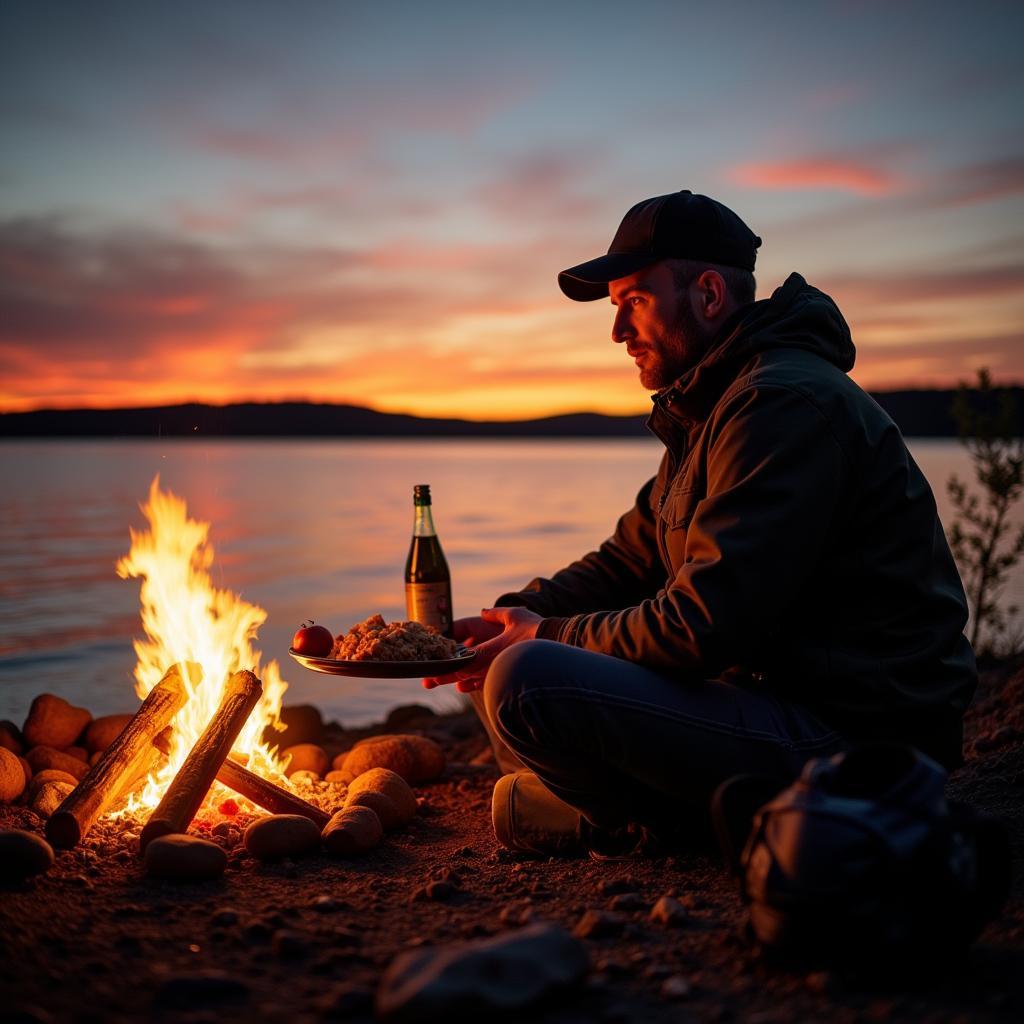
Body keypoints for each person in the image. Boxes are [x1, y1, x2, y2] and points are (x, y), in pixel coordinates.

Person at [424, 189, 976, 857]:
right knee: (502, 671)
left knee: (527, 680)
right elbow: (625, 561)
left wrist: (548, 638)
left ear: (709, 295)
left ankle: (661, 823)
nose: (617, 332)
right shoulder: (712, 411)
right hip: (768, 703)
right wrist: (511, 615)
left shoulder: (781, 405)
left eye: (635, 301)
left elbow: (700, 628)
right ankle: (653, 805)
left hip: (855, 736)